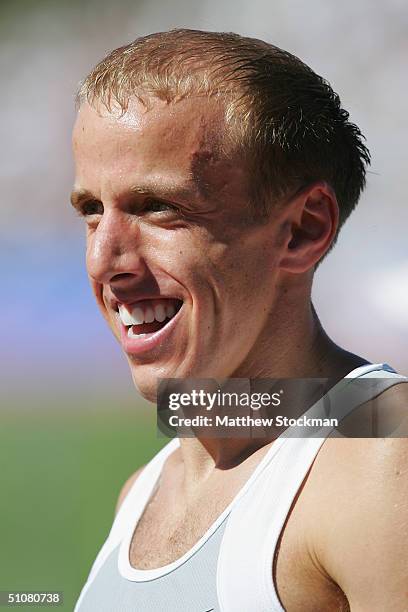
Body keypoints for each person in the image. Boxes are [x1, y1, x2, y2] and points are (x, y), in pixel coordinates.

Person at [71, 29, 408, 611]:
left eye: (159, 207)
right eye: (92, 210)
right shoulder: (142, 493)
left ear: (304, 229)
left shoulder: (382, 463)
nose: (105, 261)